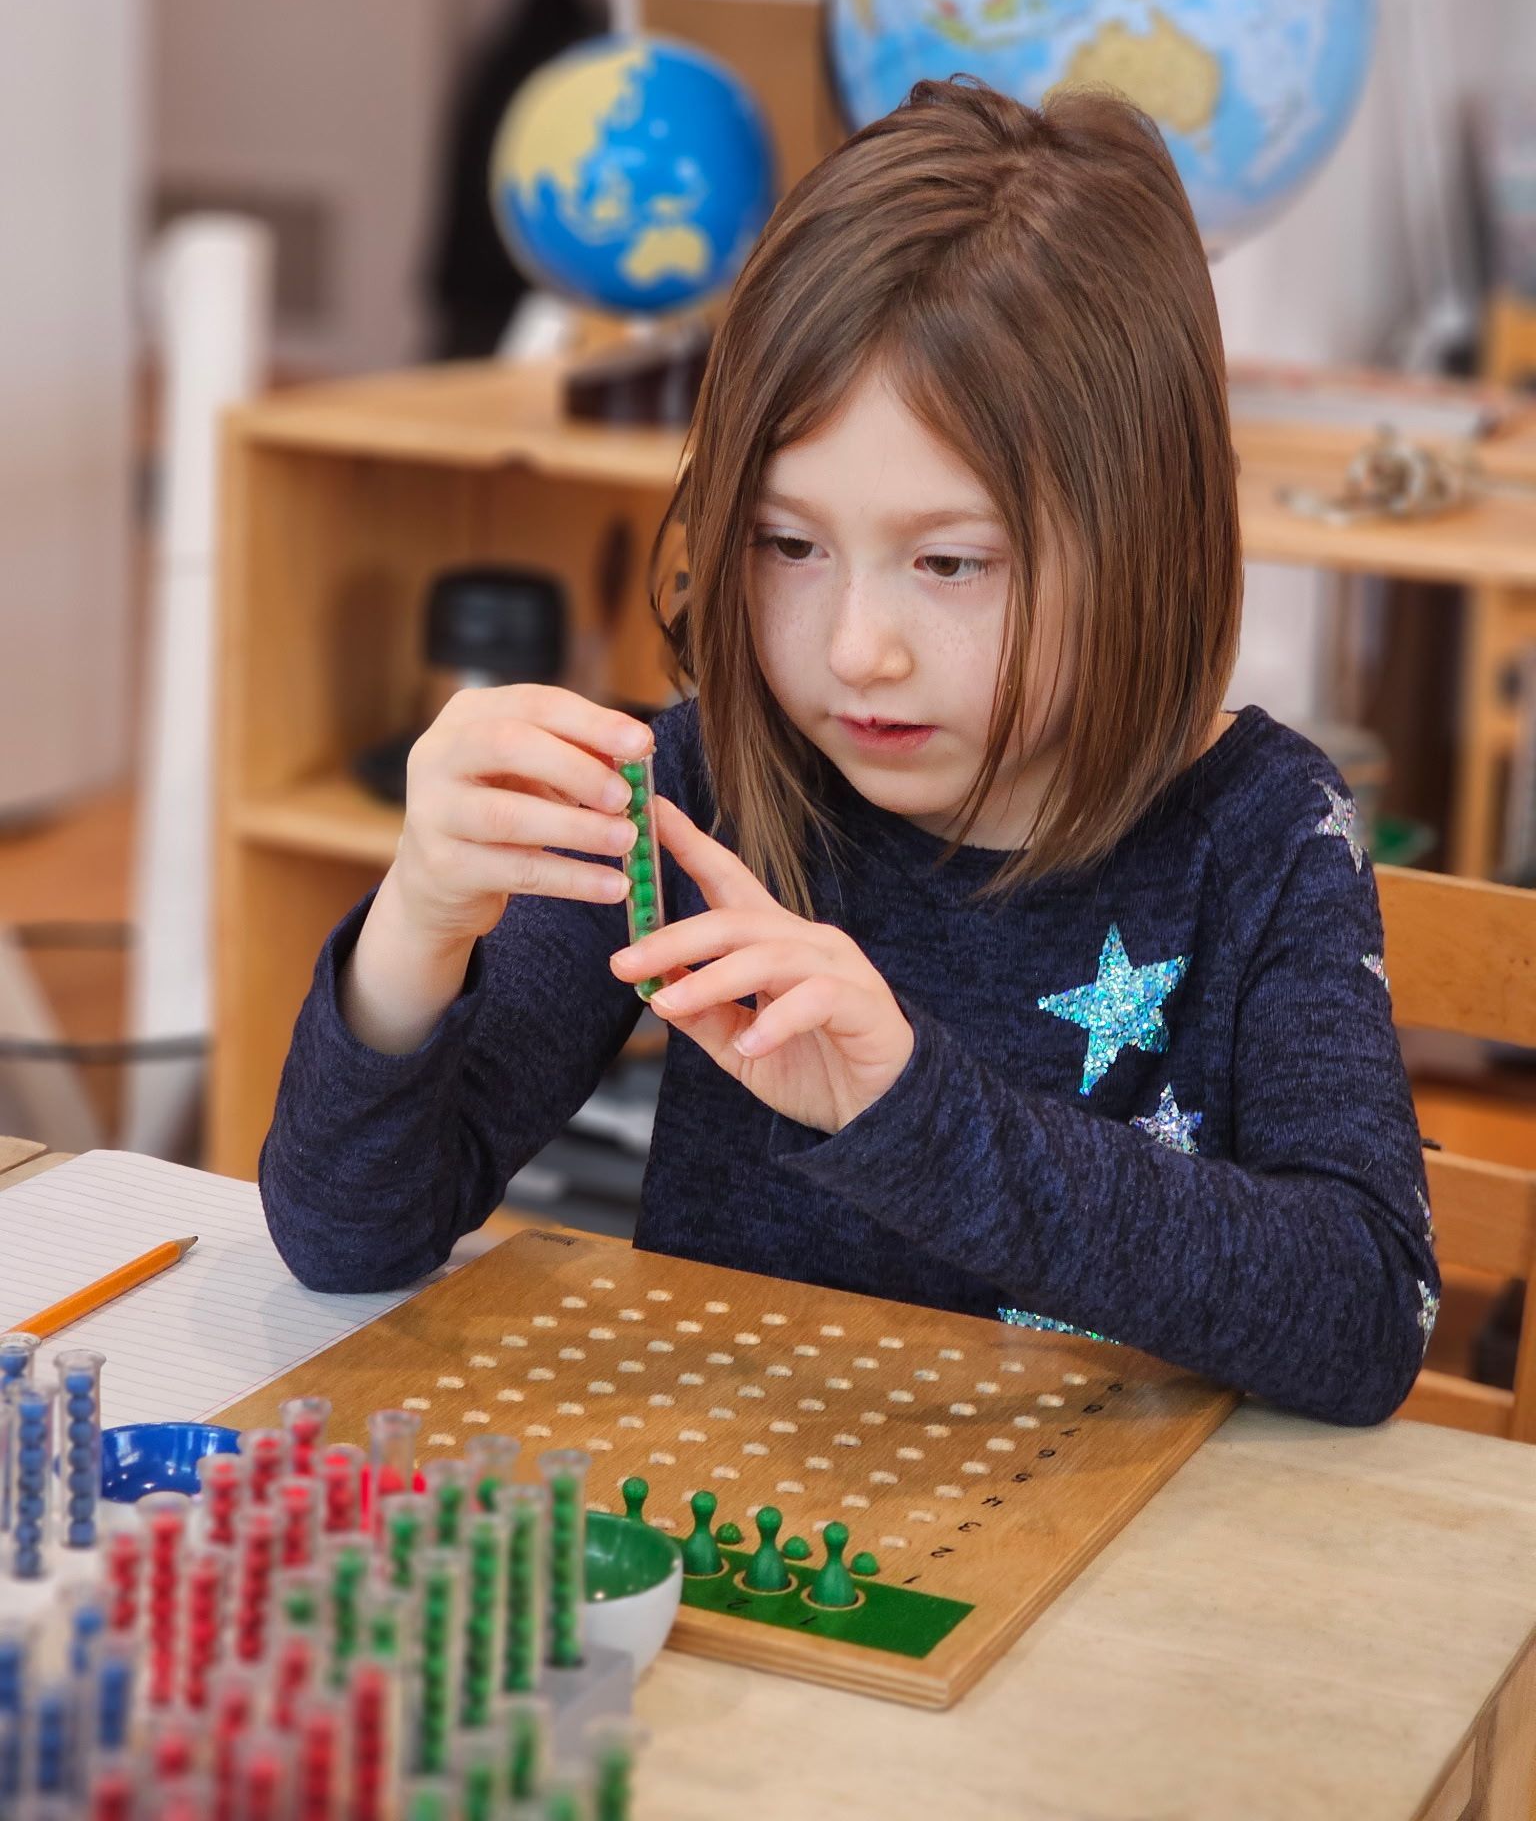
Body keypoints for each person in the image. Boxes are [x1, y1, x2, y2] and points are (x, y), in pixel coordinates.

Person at [261, 78, 1438, 1428]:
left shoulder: (1266, 833)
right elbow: (348, 1241)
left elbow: (1364, 1315)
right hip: (731, 1547)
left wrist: (911, 1106)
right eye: (787, 544)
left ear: (1148, 543)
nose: (855, 648)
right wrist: (417, 923)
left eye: (949, 562)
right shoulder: (703, 788)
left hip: (1105, 1577)